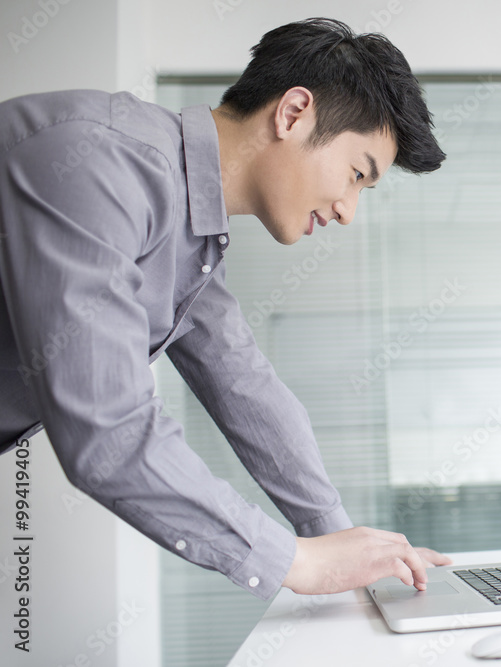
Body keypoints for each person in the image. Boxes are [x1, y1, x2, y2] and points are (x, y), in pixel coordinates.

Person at [0, 17, 451, 601]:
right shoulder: (100, 163)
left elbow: (242, 382)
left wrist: (344, 542)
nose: (347, 210)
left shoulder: (189, 229)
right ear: (293, 113)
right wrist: (299, 563)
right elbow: (108, 431)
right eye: (357, 174)